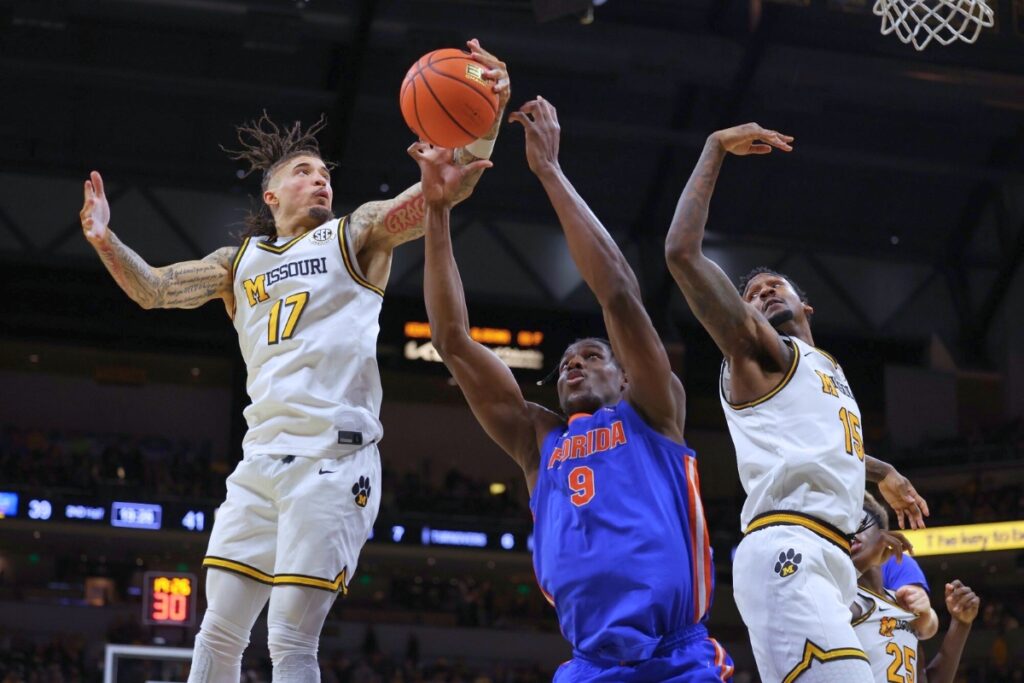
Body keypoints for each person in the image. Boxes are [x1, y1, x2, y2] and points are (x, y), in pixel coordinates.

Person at [78, 40, 510, 683]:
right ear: (272, 195)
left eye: (325, 173)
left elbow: (450, 186)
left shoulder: (356, 234)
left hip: (332, 459)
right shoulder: (238, 264)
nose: (321, 179)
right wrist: (104, 239)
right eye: (305, 171)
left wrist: (487, 116)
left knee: (289, 637)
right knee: (216, 636)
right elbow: (156, 290)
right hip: (261, 461)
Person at [412, 95, 734, 682]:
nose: (573, 366)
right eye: (565, 363)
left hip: (676, 656)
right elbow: (452, 340)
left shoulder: (652, 411)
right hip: (588, 665)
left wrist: (549, 171)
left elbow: (617, 292)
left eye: (591, 357)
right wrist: (436, 210)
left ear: (625, 375)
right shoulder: (539, 439)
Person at [664, 122, 931, 682]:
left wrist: (881, 471)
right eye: (752, 295)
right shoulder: (762, 355)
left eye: (774, 286)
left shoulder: (825, 369)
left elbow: (825, 445)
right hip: (790, 546)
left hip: (832, 558)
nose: (763, 293)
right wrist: (713, 149)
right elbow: (682, 254)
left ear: (806, 306)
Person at [852, 493, 979, 683]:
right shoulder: (843, 601)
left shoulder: (900, 604)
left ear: (884, 533)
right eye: (841, 529)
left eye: (859, 522)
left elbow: (928, 679)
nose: (850, 532)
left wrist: (961, 624)